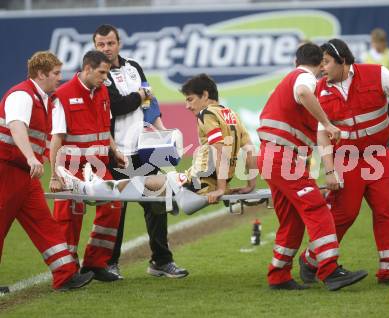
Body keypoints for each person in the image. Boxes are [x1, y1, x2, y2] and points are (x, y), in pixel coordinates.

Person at [298, 39, 389, 285]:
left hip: (377, 156)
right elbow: (322, 133)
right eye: (320, 63)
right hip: (346, 160)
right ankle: (311, 259)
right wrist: (329, 170)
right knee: (344, 214)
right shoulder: (320, 89)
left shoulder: (376, 74)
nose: (322, 68)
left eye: (327, 62)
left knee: (387, 210)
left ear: (343, 61)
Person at [56, 73, 257, 213]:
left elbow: (219, 150)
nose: (187, 106)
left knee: (139, 184)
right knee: (145, 184)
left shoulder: (206, 114)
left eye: (190, 99)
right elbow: (250, 150)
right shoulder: (231, 114)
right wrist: (250, 184)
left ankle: (87, 189)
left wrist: (221, 189)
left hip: (196, 183)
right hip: (201, 182)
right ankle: (94, 187)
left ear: (205, 95)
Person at [257, 42, 368, 291]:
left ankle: (279, 275)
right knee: (318, 209)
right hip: (283, 157)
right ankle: (329, 270)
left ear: (296, 60)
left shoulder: (293, 77)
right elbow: (304, 93)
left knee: (292, 221)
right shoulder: (305, 78)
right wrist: (328, 124)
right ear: (319, 64)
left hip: (273, 156)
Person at [92, 24, 188, 279]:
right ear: (95, 47)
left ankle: (161, 261)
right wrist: (140, 93)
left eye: (110, 43)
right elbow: (118, 105)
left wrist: (161, 130)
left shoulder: (134, 66)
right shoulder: (99, 74)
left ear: (119, 43)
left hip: (143, 151)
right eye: (101, 45)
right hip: (115, 153)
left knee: (156, 204)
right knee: (116, 209)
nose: (106, 48)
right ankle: (110, 263)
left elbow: (148, 101)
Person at [0, 51, 94, 291]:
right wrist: (32, 158)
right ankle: (65, 274)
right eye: (56, 73)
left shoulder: (41, 98)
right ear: (40, 74)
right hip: (7, 171)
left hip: (24, 174)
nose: (59, 78)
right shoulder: (21, 95)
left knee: (45, 224)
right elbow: (16, 126)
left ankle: (65, 276)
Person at [49, 50, 125, 282]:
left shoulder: (102, 91)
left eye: (108, 72)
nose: (106, 77)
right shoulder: (62, 95)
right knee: (69, 220)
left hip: (99, 167)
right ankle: (67, 269)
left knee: (113, 207)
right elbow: (56, 139)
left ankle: (95, 263)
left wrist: (114, 149)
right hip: (70, 168)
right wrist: (54, 175)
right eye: (102, 72)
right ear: (87, 69)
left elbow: (105, 127)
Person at [362, 28, 389, 152]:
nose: (377, 45)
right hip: (373, 99)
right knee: (374, 125)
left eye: (380, 42)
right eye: (375, 42)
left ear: (384, 42)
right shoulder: (365, 56)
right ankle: (377, 149)